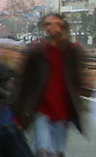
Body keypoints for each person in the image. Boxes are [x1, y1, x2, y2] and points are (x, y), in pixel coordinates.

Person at [14, 14, 88, 157]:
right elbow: (22, 82)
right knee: (43, 150)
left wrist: (79, 106)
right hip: (40, 109)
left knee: (59, 152)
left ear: (64, 28)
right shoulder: (36, 52)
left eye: (56, 24)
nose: (52, 27)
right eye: (48, 24)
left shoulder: (72, 52)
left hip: (63, 113)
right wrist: (17, 115)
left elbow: (77, 82)